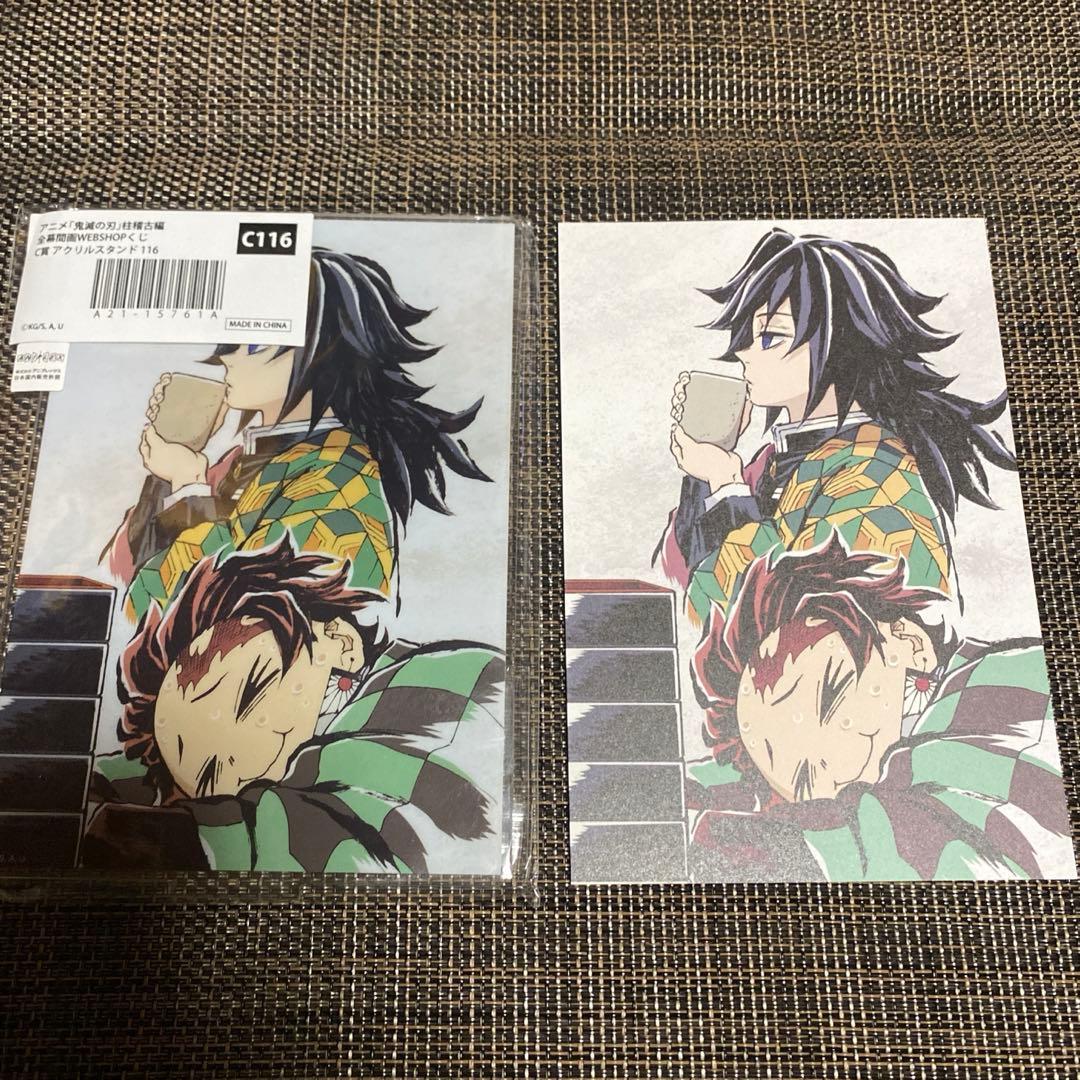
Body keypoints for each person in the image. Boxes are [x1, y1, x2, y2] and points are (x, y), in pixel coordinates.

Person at [105, 248, 490, 622]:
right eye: (232, 340)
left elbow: (225, 616)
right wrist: (174, 458)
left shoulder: (340, 480)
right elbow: (130, 585)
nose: (227, 357)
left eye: (254, 343)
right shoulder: (241, 464)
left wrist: (188, 483)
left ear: (325, 353)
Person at [657, 228, 1016, 627]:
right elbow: (691, 586)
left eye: (770, 337)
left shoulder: (877, 477)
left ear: (839, 349)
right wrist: (709, 462)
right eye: (749, 337)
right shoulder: (773, 464)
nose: (743, 353)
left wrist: (726, 484)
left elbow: (767, 622)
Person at [84, 537, 505, 873]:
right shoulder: (272, 791)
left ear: (339, 639)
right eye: (212, 772)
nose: (244, 754)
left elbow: (367, 837)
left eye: (253, 692)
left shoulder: (440, 682)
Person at [685, 534, 1074, 881]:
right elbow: (740, 787)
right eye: (805, 777)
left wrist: (782, 843)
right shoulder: (855, 796)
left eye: (832, 696)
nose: (840, 772)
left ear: (910, 640)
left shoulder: (998, 686)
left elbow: (944, 840)